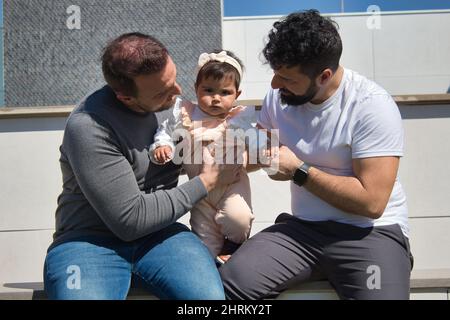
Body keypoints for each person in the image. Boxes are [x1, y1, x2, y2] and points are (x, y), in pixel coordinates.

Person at [219, 10, 413, 300]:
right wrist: (243, 152)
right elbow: (267, 161)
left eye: (286, 78)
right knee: (226, 287)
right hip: (303, 232)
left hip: (369, 234)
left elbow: (372, 202)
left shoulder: (372, 106)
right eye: (275, 73)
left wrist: (299, 170)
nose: (274, 85)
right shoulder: (279, 98)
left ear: (324, 76)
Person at [43, 33, 240, 300]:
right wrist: (206, 182)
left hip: (161, 236)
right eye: (163, 91)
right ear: (126, 98)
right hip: (89, 242)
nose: (178, 93)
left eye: (174, 79)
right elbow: (130, 220)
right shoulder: (89, 126)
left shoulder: (174, 110)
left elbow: (195, 156)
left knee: (208, 299)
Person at [150, 50, 257, 263]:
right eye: (208, 90)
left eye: (225, 92)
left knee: (239, 218)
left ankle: (235, 245)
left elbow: (256, 141)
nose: (216, 98)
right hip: (199, 190)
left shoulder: (239, 118)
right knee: (204, 242)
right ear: (196, 89)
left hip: (233, 185)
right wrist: (162, 146)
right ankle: (211, 270)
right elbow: (165, 131)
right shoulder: (184, 114)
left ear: (237, 94)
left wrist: (263, 149)